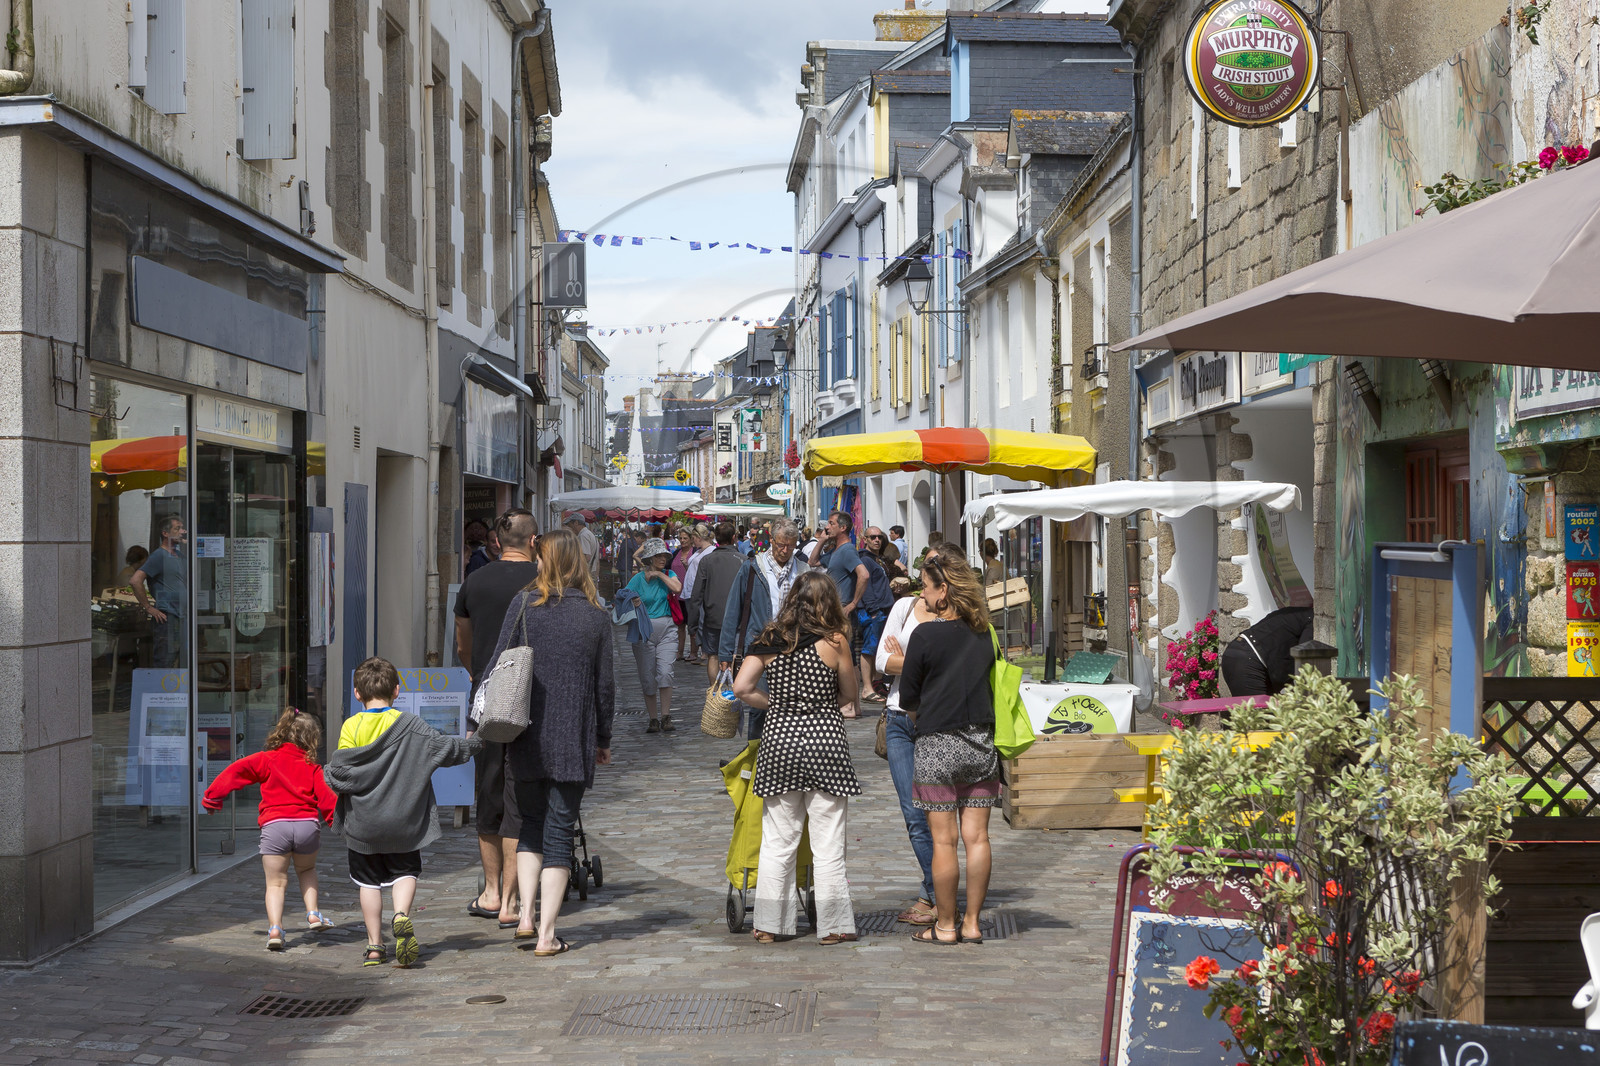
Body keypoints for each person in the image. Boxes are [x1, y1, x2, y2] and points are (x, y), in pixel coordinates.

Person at [488, 529, 615, 956]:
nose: (535, 565)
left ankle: (525, 916)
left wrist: (483, 715)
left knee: (531, 825)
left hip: (525, 735)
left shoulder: (524, 605)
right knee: (560, 832)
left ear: (550, 561)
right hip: (572, 739)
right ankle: (547, 935)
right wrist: (603, 737)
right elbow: (605, 686)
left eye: (539, 558)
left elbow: (498, 663)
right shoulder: (596, 615)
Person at [326, 657, 483, 968]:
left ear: (357, 694)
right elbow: (450, 751)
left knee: (368, 883)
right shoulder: (412, 727)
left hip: (363, 824)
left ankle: (374, 947)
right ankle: (401, 915)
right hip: (404, 824)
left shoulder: (351, 726)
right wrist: (477, 741)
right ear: (397, 691)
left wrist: (328, 772)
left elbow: (341, 774)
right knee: (406, 873)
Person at [731, 571, 862, 945]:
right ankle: (835, 924)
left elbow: (741, 687)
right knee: (828, 843)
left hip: (781, 743)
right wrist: (822, 706)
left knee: (778, 840)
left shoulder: (770, 640)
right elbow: (850, 693)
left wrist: (775, 705)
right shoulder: (835, 642)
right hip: (826, 743)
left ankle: (770, 924)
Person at [897, 556, 999, 946]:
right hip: (981, 743)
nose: (921, 592)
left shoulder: (925, 635)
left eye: (925, 585)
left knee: (944, 842)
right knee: (978, 839)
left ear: (944, 590)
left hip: (938, 744)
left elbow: (909, 697)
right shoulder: (985, 632)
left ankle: (944, 926)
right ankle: (972, 923)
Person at [453, 508, 540, 930]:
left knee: (488, 793)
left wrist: (478, 673)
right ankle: (518, 894)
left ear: (497, 543)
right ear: (534, 540)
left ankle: (491, 891)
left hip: (487, 699)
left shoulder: (474, 582)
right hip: (534, 697)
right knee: (524, 793)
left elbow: (462, 645)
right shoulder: (544, 581)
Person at [202, 707, 338, 950]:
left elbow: (236, 771)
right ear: (311, 739)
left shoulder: (266, 759)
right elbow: (327, 800)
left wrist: (213, 797)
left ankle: (275, 929)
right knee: (307, 870)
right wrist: (337, 822)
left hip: (275, 827)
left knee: (275, 883)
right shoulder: (313, 767)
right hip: (307, 826)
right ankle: (314, 914)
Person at [875, 573, 943, 928]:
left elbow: (952, 666)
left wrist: (910, 659)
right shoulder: (904, 607)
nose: (922, 587)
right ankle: (936, 893)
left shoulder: (956, 615)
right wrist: (923, 662)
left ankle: (934, 897)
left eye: (928, 580)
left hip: (937, 720)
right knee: (913, 814)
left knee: (938, 813)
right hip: (899, 719)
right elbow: (882, 662)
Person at [718, 517, 809, 730]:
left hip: (794, 647)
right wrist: (725, 653)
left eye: (791, 545)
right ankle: (757, 756)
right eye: (781, 545)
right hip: (760, 646)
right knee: (759, 706)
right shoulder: (752, 568)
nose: (785, 550)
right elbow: (733, 611)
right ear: (771, 540)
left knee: (794, 705)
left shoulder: (803, 570)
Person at [807, 511, 871, 716]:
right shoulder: (836, 551)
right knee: (847, 655)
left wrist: (853, 603)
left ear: (843, 528)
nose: (828, 526)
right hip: (834, 610)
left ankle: (851, 704)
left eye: (832, 523)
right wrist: (822, 540)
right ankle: (854, 706)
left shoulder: (847, 550)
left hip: (842, 610)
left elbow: (864, 574)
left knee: (846, 655)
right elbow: (813, 562)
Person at [623, 537, 683, 733]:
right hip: (644, 630)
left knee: (665, 672)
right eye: (658, 556)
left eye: (664, 555)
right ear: (649, 558)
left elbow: (677, 588)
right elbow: (622, 598)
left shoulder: (669, 573)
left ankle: (666, 716)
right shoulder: (637, 579)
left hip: (667, 628)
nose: (663, 558)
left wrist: (659, 574)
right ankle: (653, 718)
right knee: (648, 676)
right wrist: (633, 601)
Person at [690, 521, 747, 685]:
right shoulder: (743, 560)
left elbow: (696, 596)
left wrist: (692, 626)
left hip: (713, 617)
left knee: (713, 655)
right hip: (737, 619)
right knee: (735, 654)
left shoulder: (707, 561)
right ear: (734, 538)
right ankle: (734, 692)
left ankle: (715, 693)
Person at [130, 514, 187, 669]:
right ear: (165, 533)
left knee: (181, 662)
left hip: (182, 617)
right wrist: (149, 608)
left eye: (182, 528)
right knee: (164, 662)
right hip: (167, 617)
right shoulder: (158, 556)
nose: (183, 531)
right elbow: (135, 581)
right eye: (178, 528)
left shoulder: (180, 556)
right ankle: (161, 692)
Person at [1219, 604, 1315, 696]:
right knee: (1256, 712)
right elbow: (1304, 661)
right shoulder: (1312, 620)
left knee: (1265, 711)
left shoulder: (1295, 613)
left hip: (1239, 653)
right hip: (1249, 659)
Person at [855, 527, 897, 703]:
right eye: (873, 537)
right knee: (869, 649)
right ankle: (866, 688)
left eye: (880, 537)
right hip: (874, 610)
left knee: (879, 648)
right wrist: (873, 610)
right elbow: (866, 585)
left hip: (883, 609)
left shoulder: (877, 559)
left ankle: (877, 682)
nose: (877, 540)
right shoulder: (865, 559)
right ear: (865, 539)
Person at [679, 523, 715, 664]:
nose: (692, 541)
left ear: (698, 537)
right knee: (693, 621)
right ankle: (699, 651)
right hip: (690, 590)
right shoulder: (698, 551)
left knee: (701, 621)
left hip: (700, 591)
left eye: (693, 538)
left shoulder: (710, 551)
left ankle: (704, 652)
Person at [564, 512, 601, 582]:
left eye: (570, 525)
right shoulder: (589, 534)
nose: (570, 528)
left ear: (576, 523)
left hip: (586, 574)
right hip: (591, 572)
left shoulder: (583, 535)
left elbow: (586, 557)